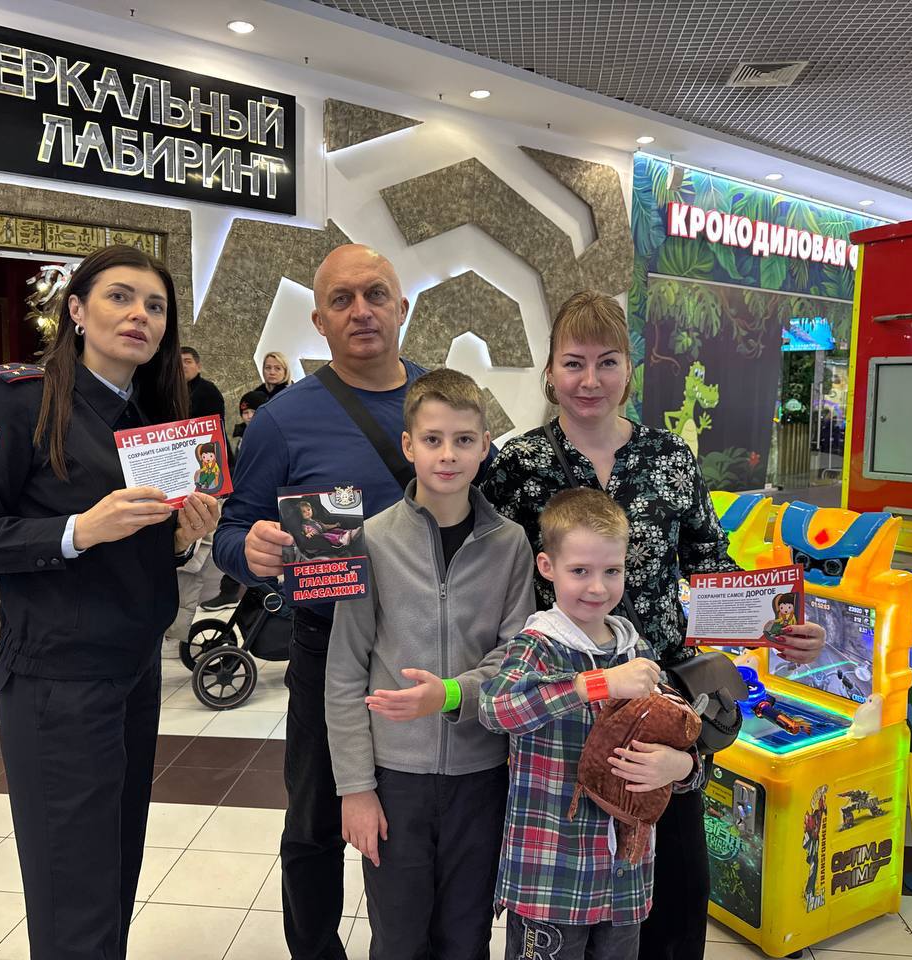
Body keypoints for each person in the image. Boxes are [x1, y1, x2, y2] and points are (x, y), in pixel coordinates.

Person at [480, 291, 826, 960]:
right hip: (566, 705)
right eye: (573, 363)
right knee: (570, 887)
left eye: (607, 362)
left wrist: (778, 623)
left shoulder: (669, 459)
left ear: (629, 370)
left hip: (664, 699)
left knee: (674, 886)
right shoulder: (518, 466)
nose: (589, 380)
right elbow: (478, 562)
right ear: (549, 371)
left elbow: (709, 562)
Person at [0, 245, 220, 960]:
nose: (139, 315)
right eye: (119, 297)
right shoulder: (19, 400)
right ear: (76, 311)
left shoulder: (153, 420)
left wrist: (181, 538)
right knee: (73, 893)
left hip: (134, 671)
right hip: (58, 679)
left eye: (155, 306)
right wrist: (76, 530)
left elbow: (139, 549)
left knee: (115, 871)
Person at [213, 244, 490, 960]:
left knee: (438, 816)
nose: (361, 311)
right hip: (329, 648)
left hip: (440, 655)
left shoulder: (447, 397)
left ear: (403, 307)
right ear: (319, 319)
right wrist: (249, 551)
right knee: (314, 820)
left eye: (376, 294)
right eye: (341, 299)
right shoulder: (281, 421)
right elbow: (230, 530)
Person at [326, 369, 534, 960]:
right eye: (433, 439)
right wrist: (356, 789)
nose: (448, 455)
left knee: (466, 937)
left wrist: (451, 693)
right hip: (396, 780)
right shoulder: (368, 541)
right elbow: (345, 670)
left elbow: (516, 658)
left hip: (482, 775)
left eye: (464, 440)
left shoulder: (511, 544)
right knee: (397, 937)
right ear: (408, 445)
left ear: (485, 445)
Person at [480, 488, 704, 960]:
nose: (598, 588)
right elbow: (496, 709)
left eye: (612, 571)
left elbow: (677, 739)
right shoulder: (537, 645)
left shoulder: (637, 650)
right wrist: (596, 685)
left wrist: (679, 766)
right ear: (547, 567)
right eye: (580, 571)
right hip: (550, 875)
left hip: (625, 877)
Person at [181, 345, 226, 419]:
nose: (183, 366)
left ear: (198, 367)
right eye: (178, 362)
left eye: (188, 362)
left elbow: (215, 422)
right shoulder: (167, 390)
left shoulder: (209, 391)